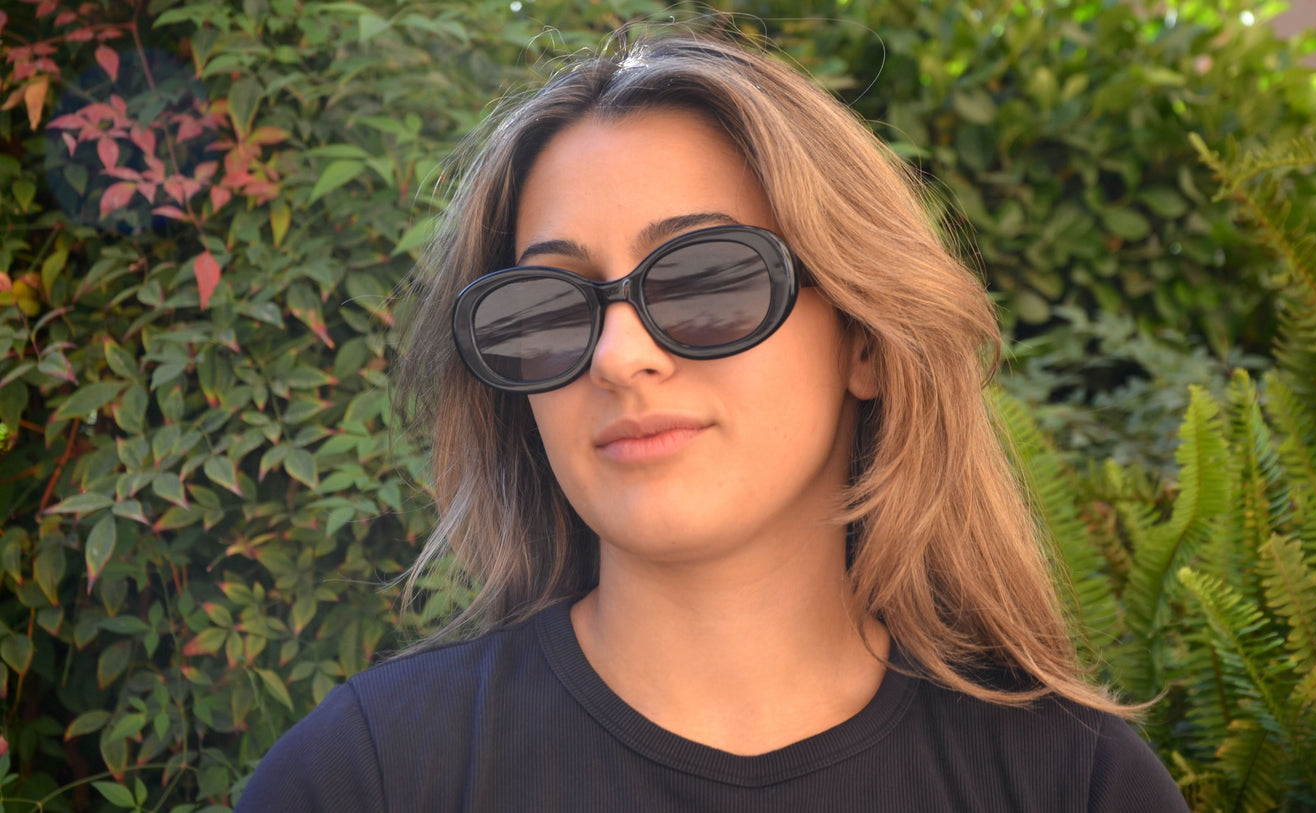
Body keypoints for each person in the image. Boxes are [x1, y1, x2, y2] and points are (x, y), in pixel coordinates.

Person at [236, 29, 1188, 811]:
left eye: (705, 280)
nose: (619, 355)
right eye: (548, 309)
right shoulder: (367, 778)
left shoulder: (1071, 784)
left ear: (863, 339)